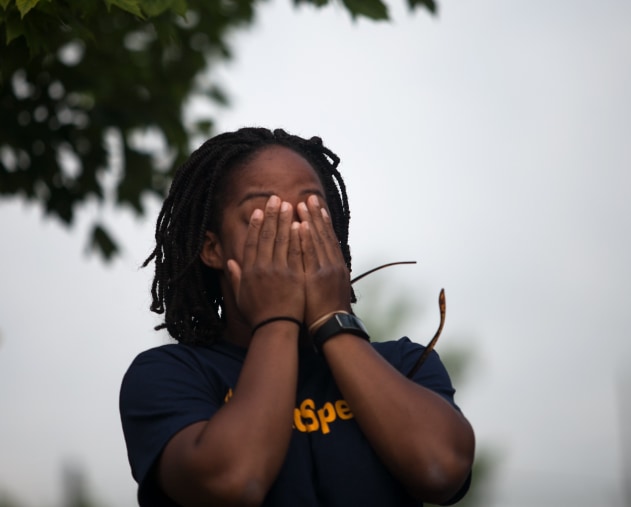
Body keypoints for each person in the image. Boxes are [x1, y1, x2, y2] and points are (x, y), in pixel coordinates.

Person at [119, 127, 475, 507]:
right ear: (213, 248)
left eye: (311, 211)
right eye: (264, 215)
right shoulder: (170, 375)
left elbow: (441, 470)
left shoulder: (404, 364)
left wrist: (332, 320)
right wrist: (276, 321)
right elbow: (234, 481)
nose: (292, 232)